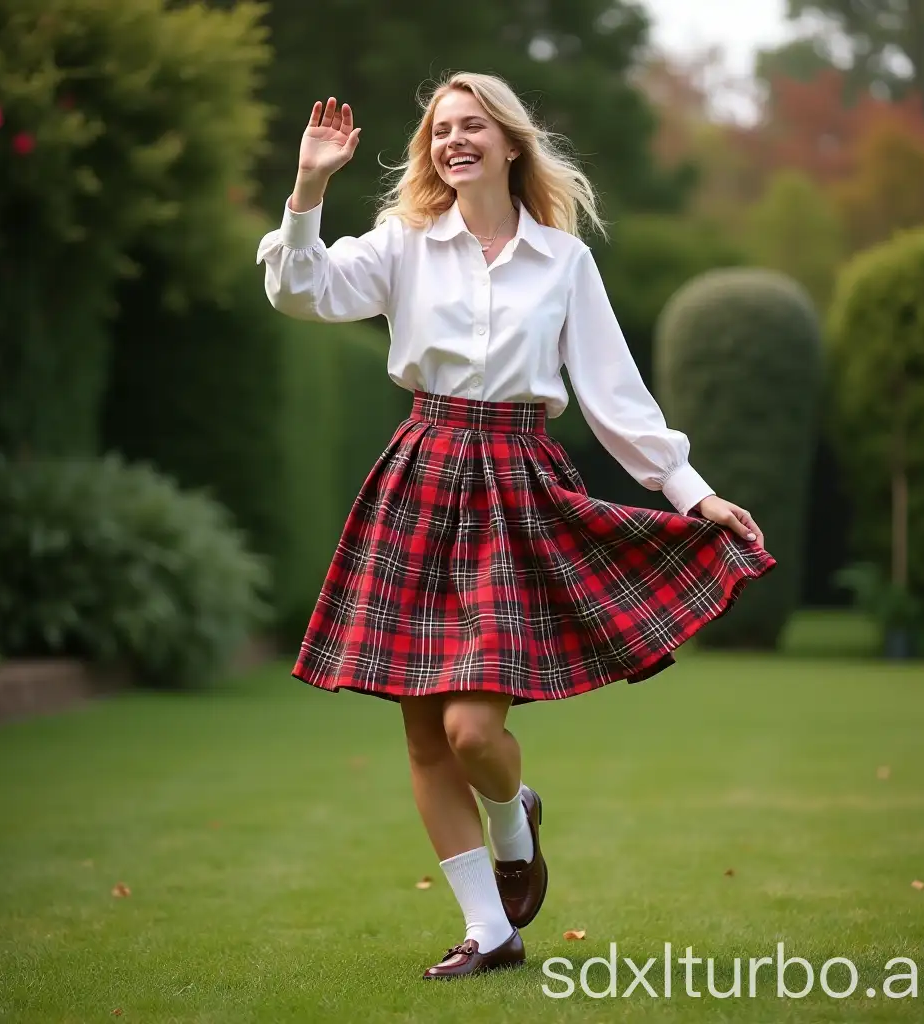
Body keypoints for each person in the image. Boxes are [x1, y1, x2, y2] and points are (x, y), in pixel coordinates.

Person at [256, 71, 776, 981]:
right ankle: (489, 929)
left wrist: (693, 493)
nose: (455, 140)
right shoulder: (402, 244)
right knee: (424, 734)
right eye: (442, 129)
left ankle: (512, 813)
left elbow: (617, 401)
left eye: (472, 126)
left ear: (509, 143)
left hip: (517, 488)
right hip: (420, 476)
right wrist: (307, 189)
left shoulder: (564, 262)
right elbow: (300, 291)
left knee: (471, 733)